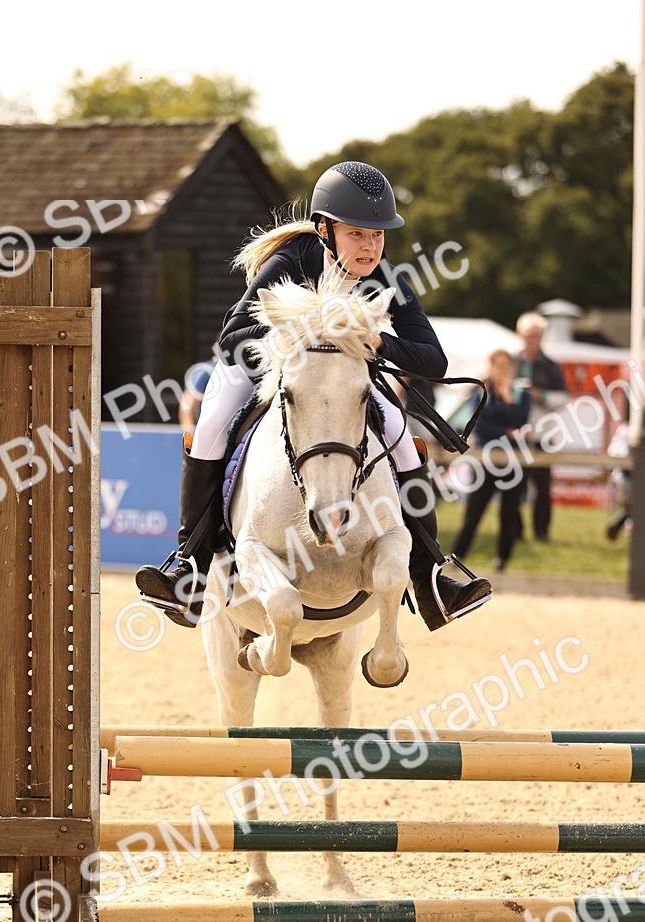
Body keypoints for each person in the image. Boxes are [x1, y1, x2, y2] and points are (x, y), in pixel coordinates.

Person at [136, 161, 492, 631]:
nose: (370, 248)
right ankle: (191, 567)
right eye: (358, 234)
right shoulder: (293, 260)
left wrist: (378, 342)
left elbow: (433, 359)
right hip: (270, 369)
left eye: (378, 236)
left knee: (403, 441)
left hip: (345, 380)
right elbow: (232, 338)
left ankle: (428, 578)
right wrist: (301, 334)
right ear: (325, 229)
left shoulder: (385, 276)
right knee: (211, 426)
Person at [452, 349, 531, 570]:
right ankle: (458, 556)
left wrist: (507, 398)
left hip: (513, 462)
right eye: (499, 366)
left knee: (509, 512)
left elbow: (522, 421)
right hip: (485, 460)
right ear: (491, 366)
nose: (503, 371)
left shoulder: (520, 394)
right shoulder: (481, 393)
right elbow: (481, 425)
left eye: (507, 367)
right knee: (474, 512)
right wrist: (508, 432)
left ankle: (502, 560)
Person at [514, 312, 567, 543]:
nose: (531, 339)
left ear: (542, 336)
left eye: (535, 335)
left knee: (543, 488)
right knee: (514, 486)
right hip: (515, 434)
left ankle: (541, 531)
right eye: (528, 335)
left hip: (542, 435)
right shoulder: (512, 362)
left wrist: (540, 396)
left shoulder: (552, 366)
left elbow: (563, 398)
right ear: (520, 336)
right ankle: (515, 531)